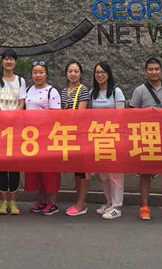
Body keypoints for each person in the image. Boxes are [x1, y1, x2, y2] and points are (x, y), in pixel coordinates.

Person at [130, 57, 162, 221]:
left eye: (156, 69)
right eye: (150, 69)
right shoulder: (139, 90)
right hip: (147, 136)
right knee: (145, 173)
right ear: (146, 72)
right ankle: (144, 206)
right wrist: (146, 113)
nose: (154, 72)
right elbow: (131, 112)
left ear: (161, 70)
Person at [0, 48, 26, 215]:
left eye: (11, 59)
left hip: (16, 128)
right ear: (2, 61)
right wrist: (3, 117)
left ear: (15, 62)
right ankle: (4, 202)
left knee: (15, 165)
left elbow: (22, 102)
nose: (9, 62)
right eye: (6, 59)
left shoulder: (20, 80)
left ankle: (14, 202)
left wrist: (13, 117)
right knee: (2, 165)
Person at [24, 60, 62, 215]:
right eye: (35, 72)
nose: (38, 75)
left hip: (48, 136)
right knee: (36, 170)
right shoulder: (28, 90)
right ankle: (41, 200)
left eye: (41, 72)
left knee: (50, 171)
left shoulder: (52, 91)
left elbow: (56, 116)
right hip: (31, 138)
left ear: (46, 74)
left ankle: (52, 202)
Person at [90, 61, 126, 220]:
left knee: (115, 173)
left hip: (114, 136)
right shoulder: (92, 93)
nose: (99, 75)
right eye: (97, 72)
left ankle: (117, 206)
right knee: (103, 174)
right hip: (98, 137)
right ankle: (109, 202)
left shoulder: (117, 92)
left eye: (103, 72)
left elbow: (121, 115)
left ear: (108, 74)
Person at [60, 59, 90, 216]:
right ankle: (78, 201)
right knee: (76, 170)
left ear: (80, 74)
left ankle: (81, 203)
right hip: (68, 134)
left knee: (82, 171)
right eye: (70, 71)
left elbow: (80, 114)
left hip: (80, 134)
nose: (73, 74)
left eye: (76, 71)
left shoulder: (83, 90)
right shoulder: (64, 91)